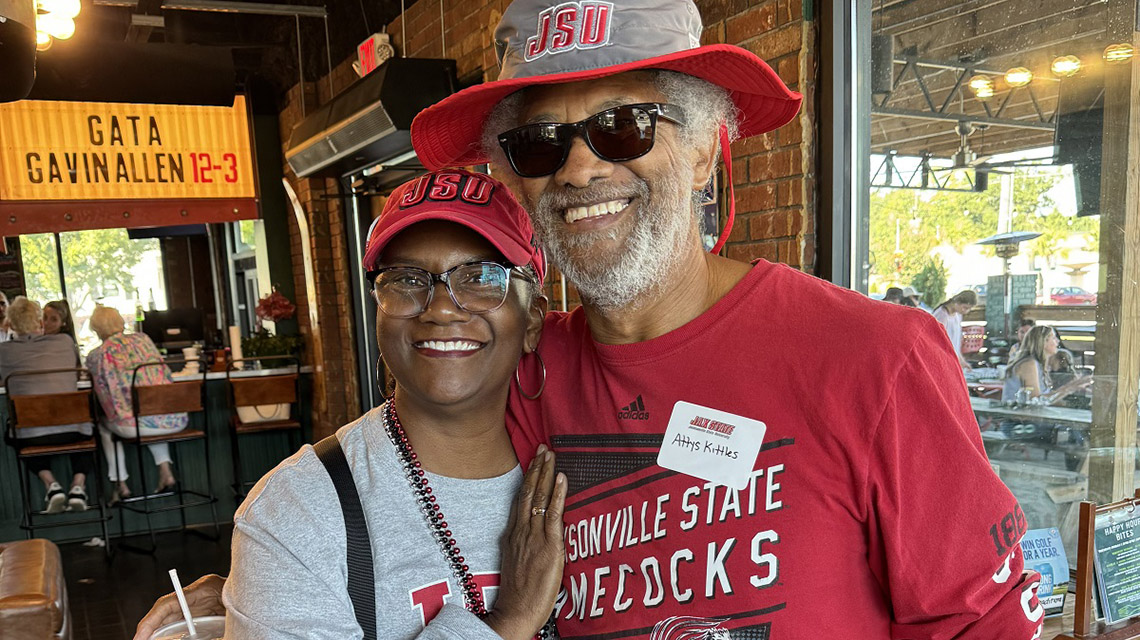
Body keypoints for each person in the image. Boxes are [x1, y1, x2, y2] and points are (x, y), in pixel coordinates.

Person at [142, 0, 1046, 636]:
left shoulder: (873, 357)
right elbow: (396, 474)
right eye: (541, 143)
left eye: (623, 126)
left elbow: (982, 625)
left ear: (702, 150)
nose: (577, 172)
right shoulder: (531, 376)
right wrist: (252, 584)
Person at [136, 169, 566, 640]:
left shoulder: (588, 458)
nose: (441, 308)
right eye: (406, 278)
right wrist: (510, 620)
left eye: (482, 277)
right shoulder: (296, 515)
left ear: (533, 322)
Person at [88, 306, 187, 501]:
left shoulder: (97, 355)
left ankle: (121, 485)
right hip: (175, 419)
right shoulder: (143, 340)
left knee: (104, 425)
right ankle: (166, 473)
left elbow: (105, 398)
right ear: (121, 323)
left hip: (134, 426)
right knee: (153, 413)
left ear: (96, 329)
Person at [0, 296, 90, 512]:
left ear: (10, 324)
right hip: (74, 428)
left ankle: (51, 485)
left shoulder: (3, 351)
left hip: (31, 433)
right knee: (89, 429)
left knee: (14, 433)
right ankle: (78, 485)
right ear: (40, 322)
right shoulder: (65, 342)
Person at [1003, 325, 1091, 405]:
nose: (1057, 341)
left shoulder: (1039, 364)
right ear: (1043, 342)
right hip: (1017, 421)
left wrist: (1073, 386)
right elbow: (1035, 401)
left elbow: (1045, 399)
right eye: (1054, 338)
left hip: (1030, 418)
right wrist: (1069, 387)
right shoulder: (1029, 364)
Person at [932, 289, 978, 370]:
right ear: (957, 302)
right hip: (942, 359)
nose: (966, 311)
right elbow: (936, 342)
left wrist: (961, 360)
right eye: (965, 307)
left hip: (951, 359)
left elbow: (955, 342)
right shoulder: (942, 315)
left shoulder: (957, 315)